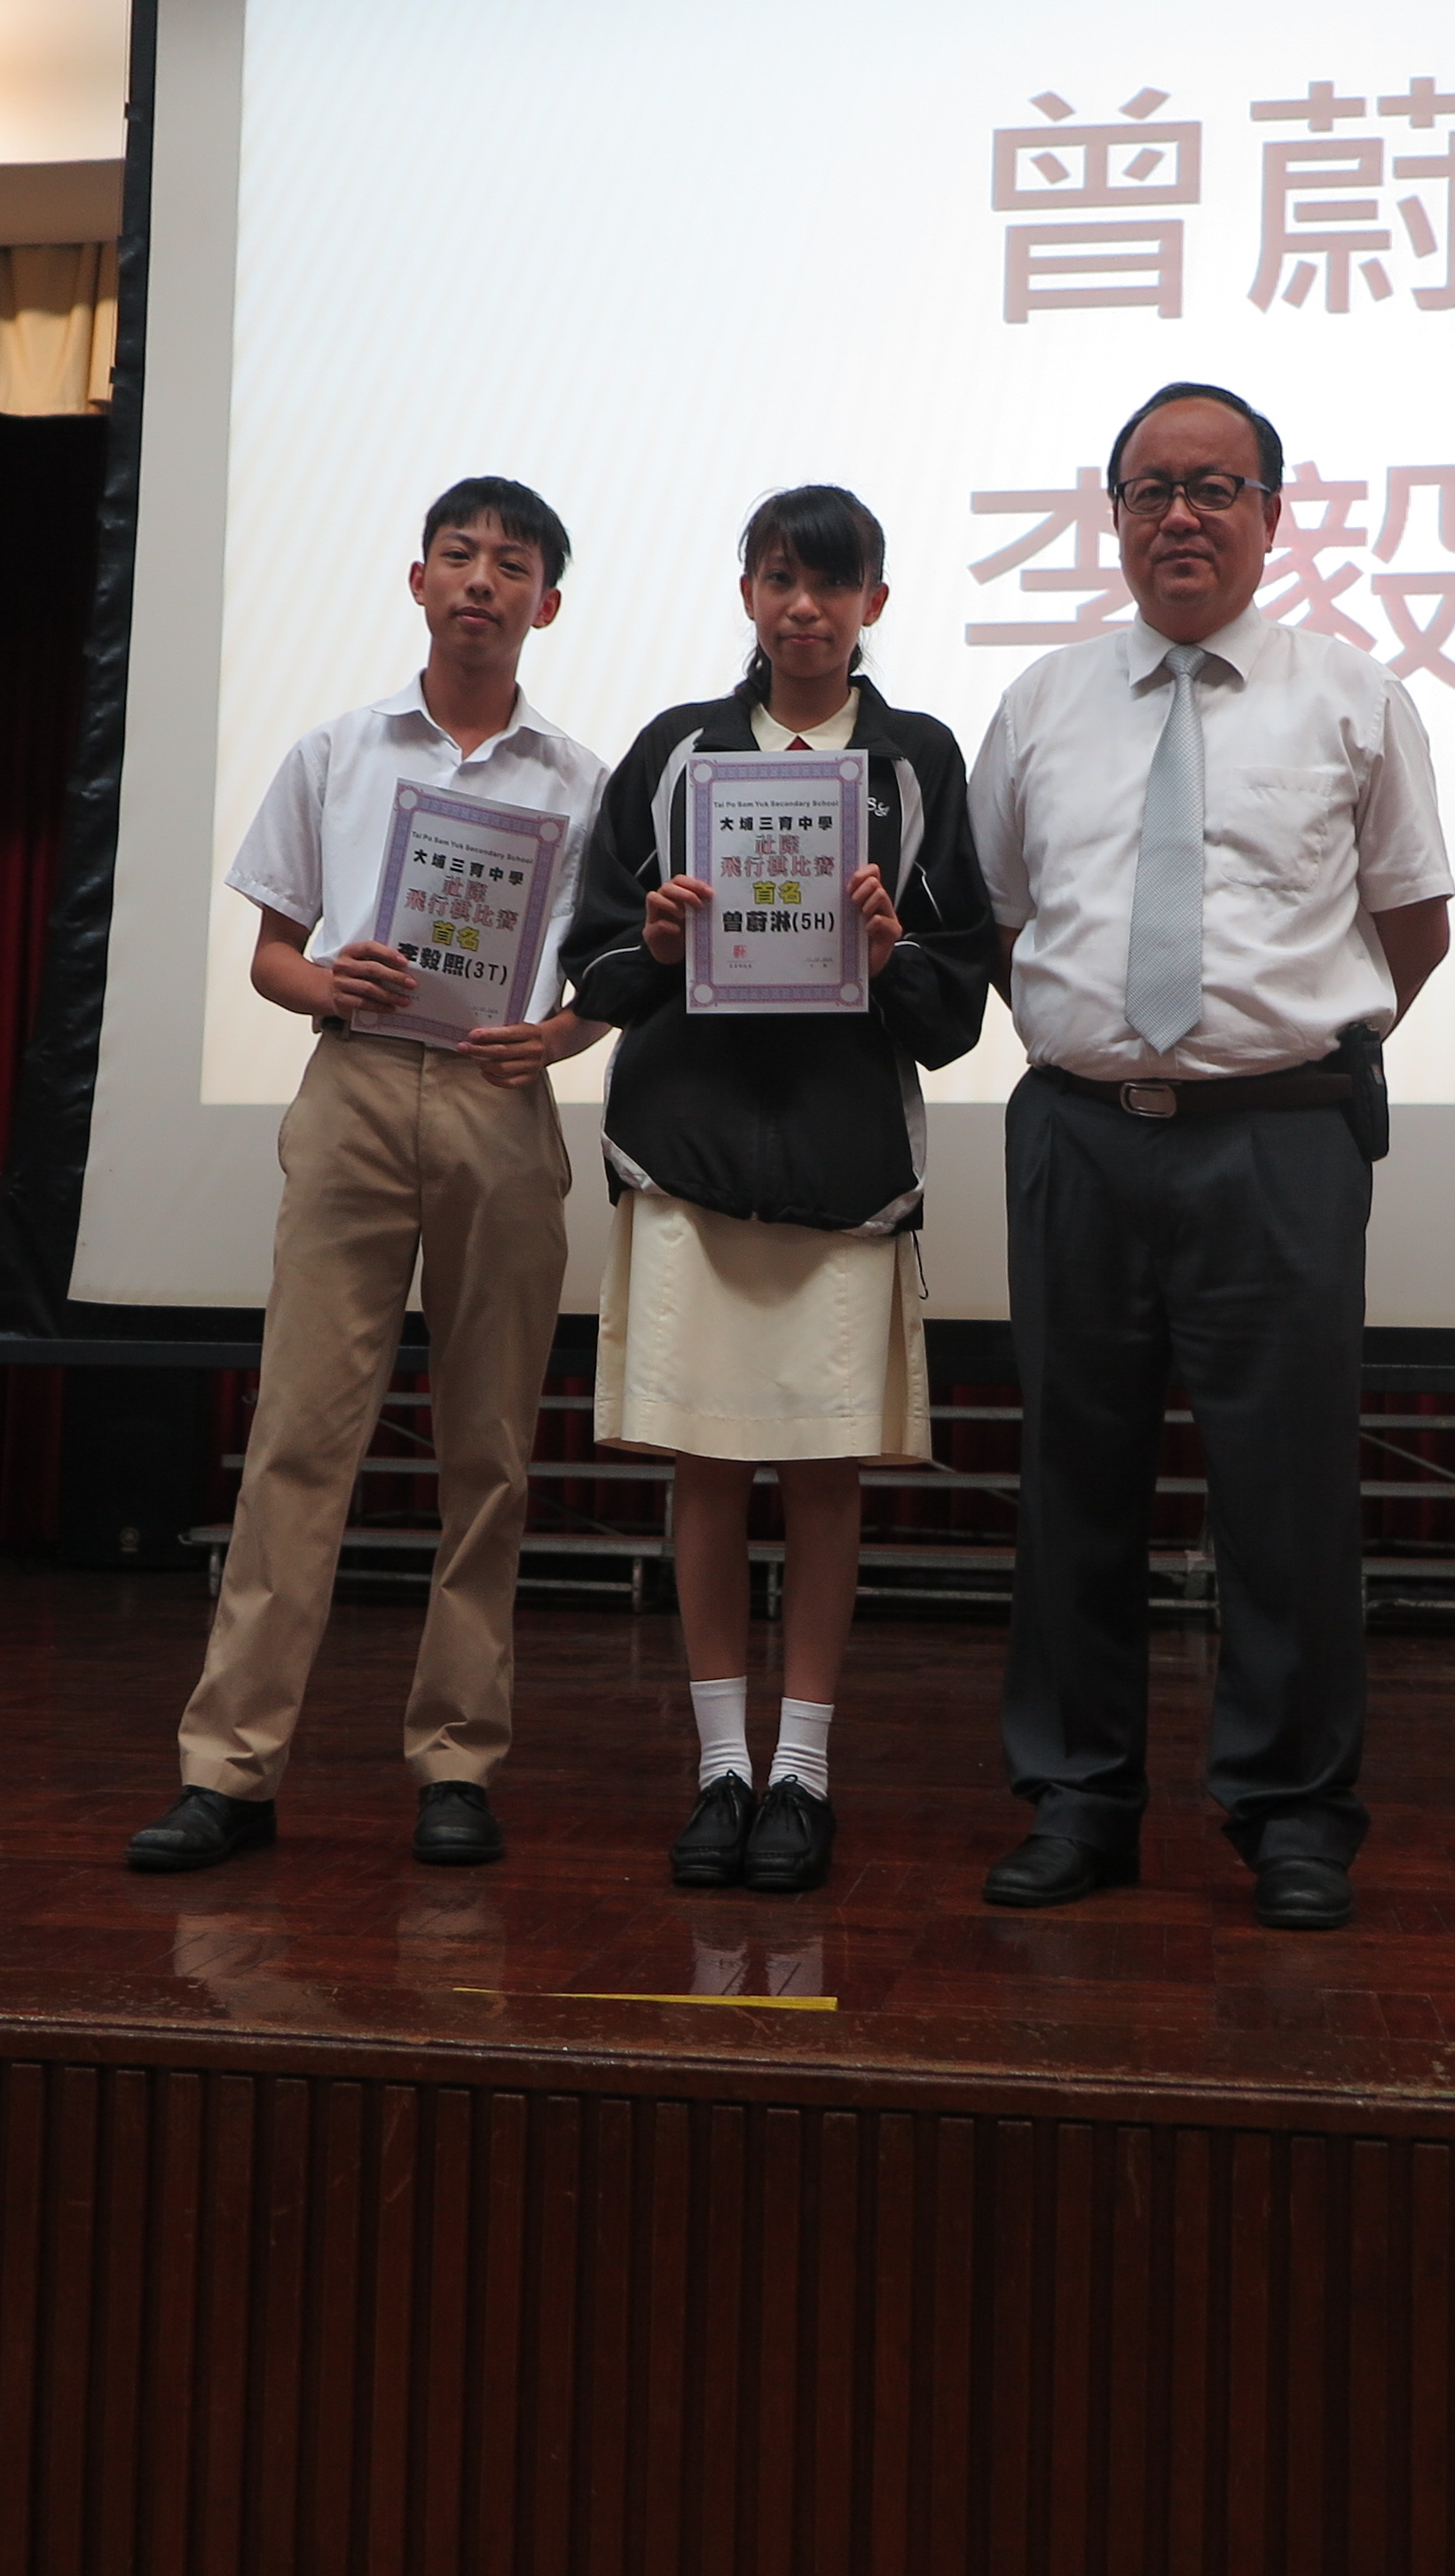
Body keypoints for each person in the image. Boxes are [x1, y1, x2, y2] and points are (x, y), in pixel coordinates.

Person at [966, 382, 1455, 1933]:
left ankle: (1293, 1812)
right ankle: (1077, 1797)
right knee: (1073, 1480)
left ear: (1272, 515)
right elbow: (997, 918)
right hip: (1080, 1140)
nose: (1179, 515)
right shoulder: (1042, 701)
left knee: (1286, 1491)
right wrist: (1107, 1047)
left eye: (1215, 488)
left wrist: (1273, 1046)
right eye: (1149, 489)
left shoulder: (1354, 697)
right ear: (1112, 515)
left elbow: (1413, 922)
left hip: (1279, 1142)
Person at [126, 476, 612, 1876]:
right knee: (299, 1435)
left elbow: (608, 975)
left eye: (511, 564)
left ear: (547, 604)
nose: (481, 580)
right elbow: (273, 956)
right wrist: (324, 981)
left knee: (489, 1451)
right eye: (458, 555)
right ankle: (230, 1767)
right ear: (418, 581)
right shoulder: (337, 752)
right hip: (351, 1089)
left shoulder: (582, 782)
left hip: (498, 1102)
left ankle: (457, 1761)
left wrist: (560, 1035)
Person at [556, 485, 995, 1893]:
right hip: (685, 1161)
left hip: (845, 1166)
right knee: (702, 1466)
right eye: (780, 579)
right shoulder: (676, 753)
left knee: (820, 1472)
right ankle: (719, 1770)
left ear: (876, 603)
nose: (805, 608)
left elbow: (959, 1001)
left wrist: (892, 952)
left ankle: (801, 1773)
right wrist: (656, 939)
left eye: (833, 583)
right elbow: (591, 960)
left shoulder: (916, 761)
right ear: (747, 592)